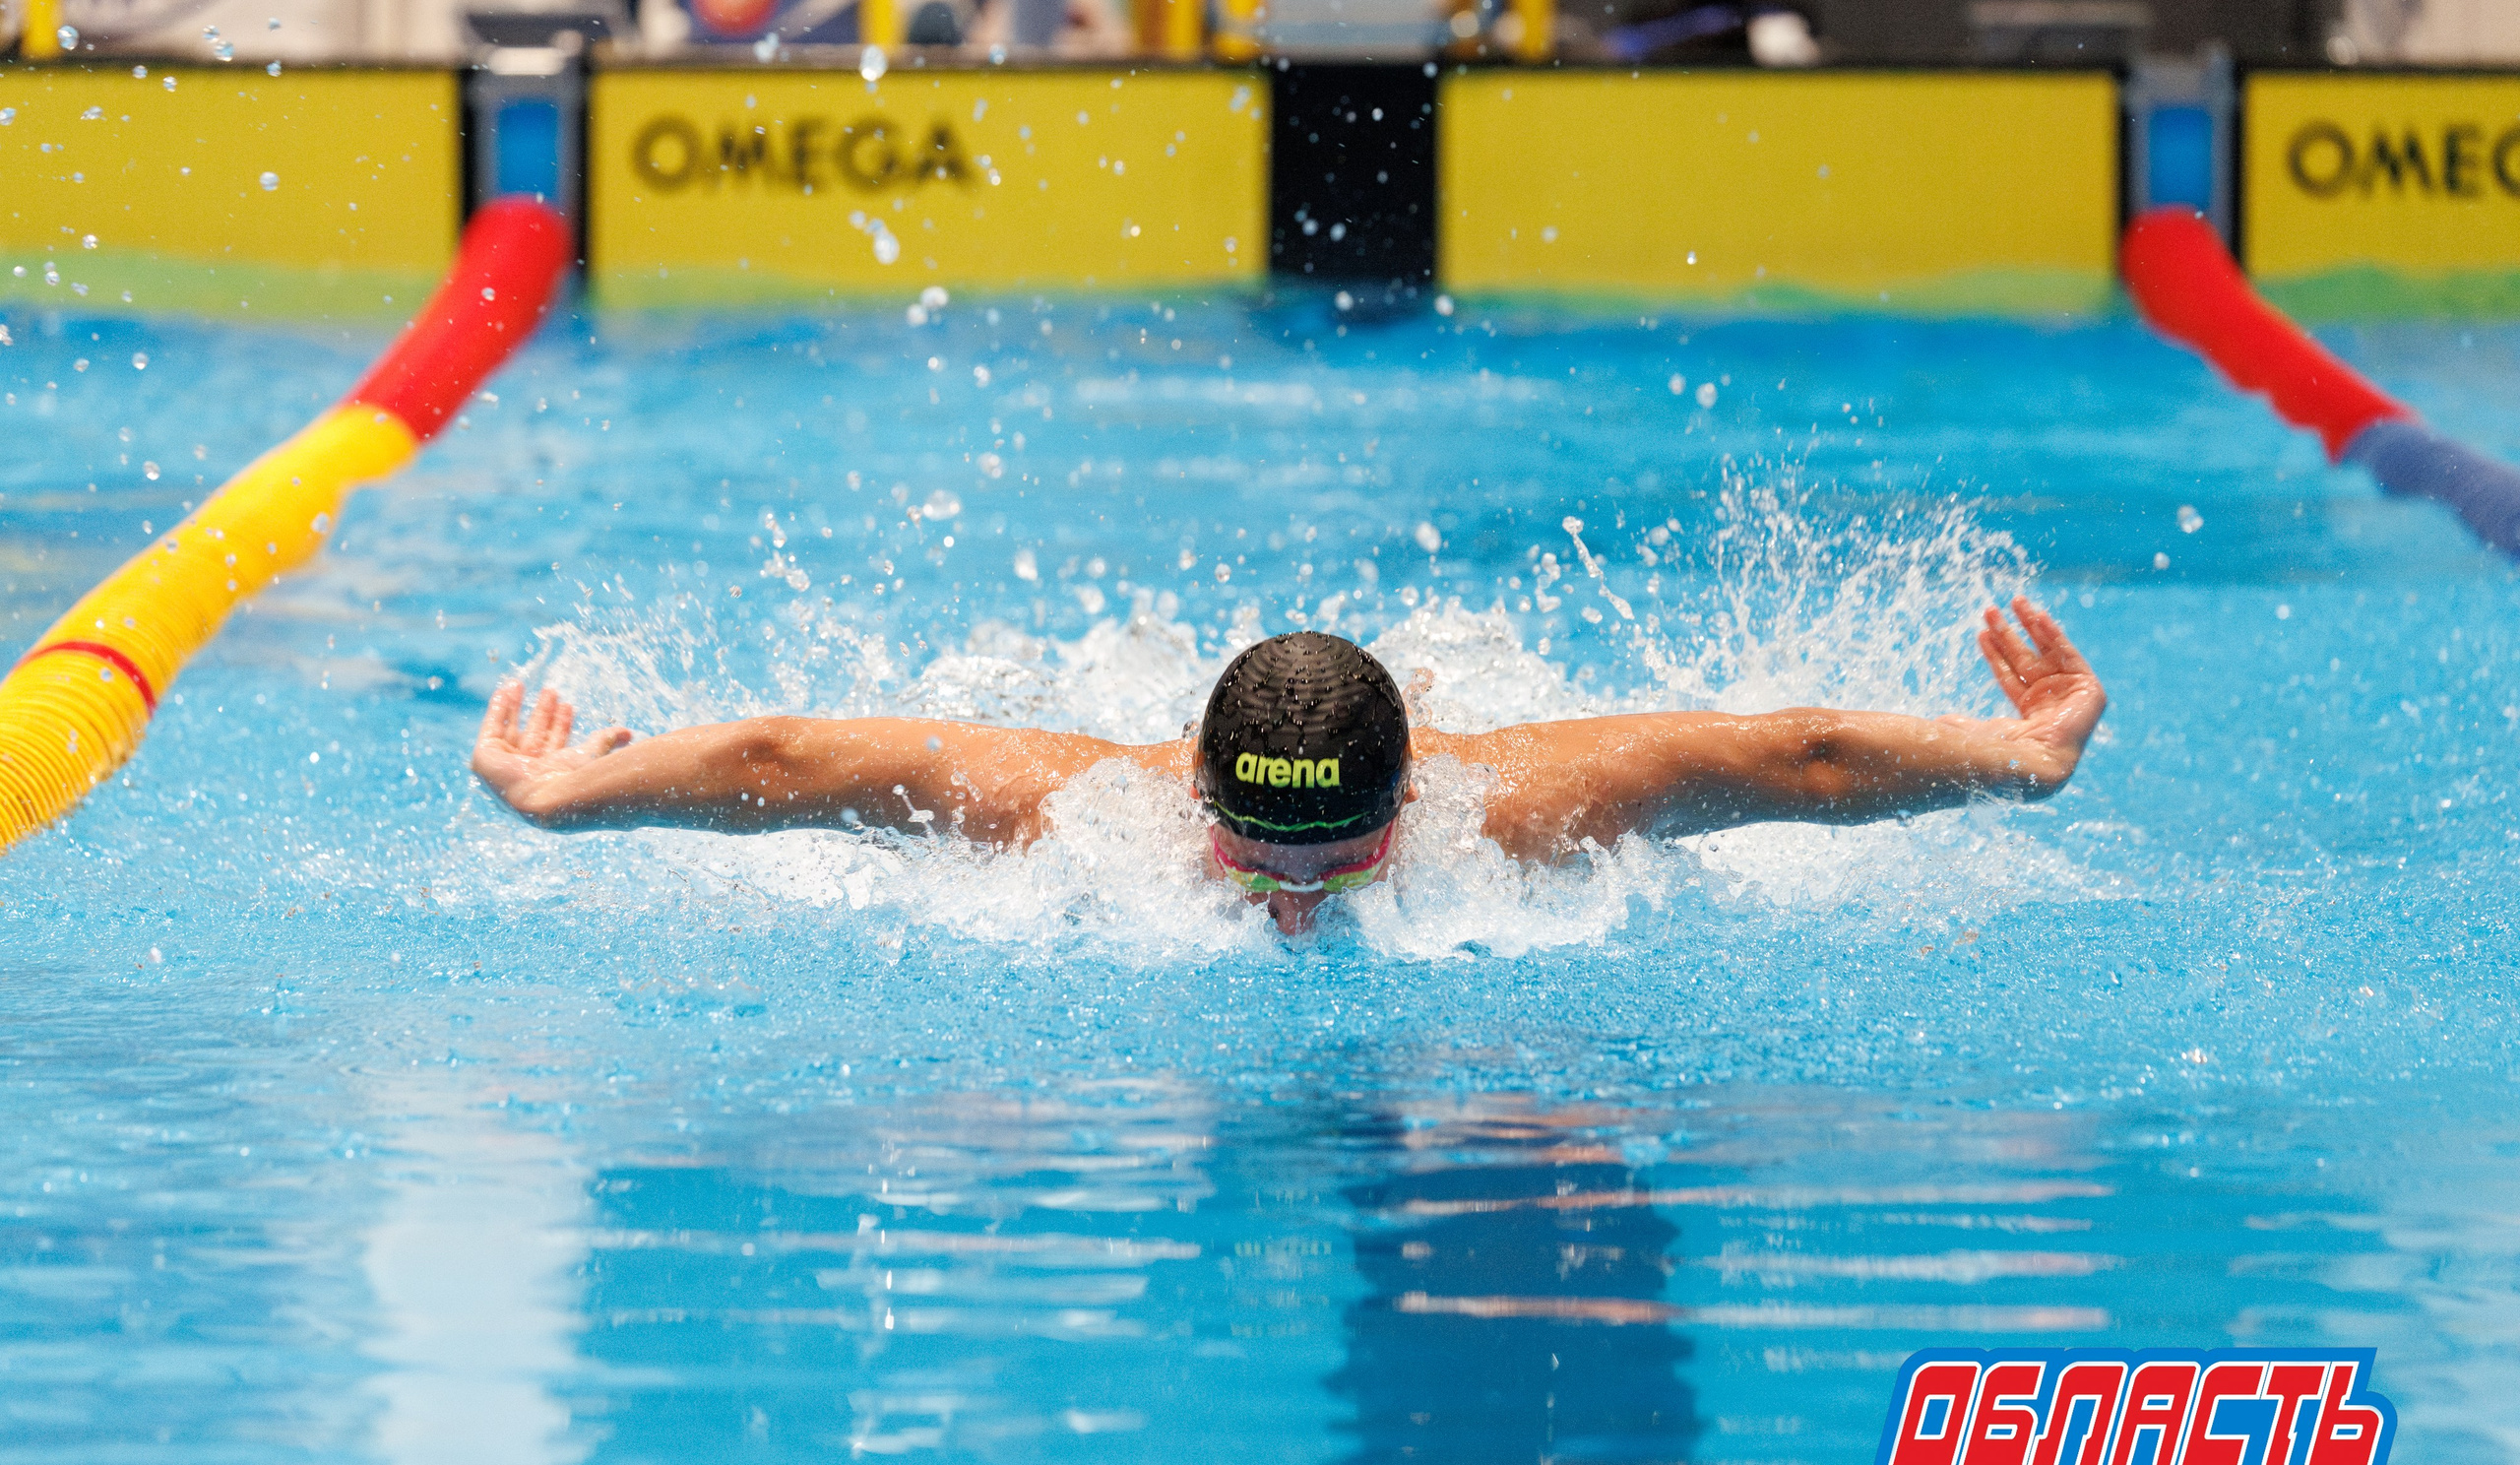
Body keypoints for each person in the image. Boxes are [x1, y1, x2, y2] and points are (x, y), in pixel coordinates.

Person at [471, 598, 2106, 935]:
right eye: (1265, 853)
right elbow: (784, 762)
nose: (1296, 896)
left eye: (1336, 858)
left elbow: (1788, 757)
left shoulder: (1526, 807)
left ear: (1415, 805)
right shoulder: (1070, 808)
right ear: (1193, 787)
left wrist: (2014, 763)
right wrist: (568, 798)